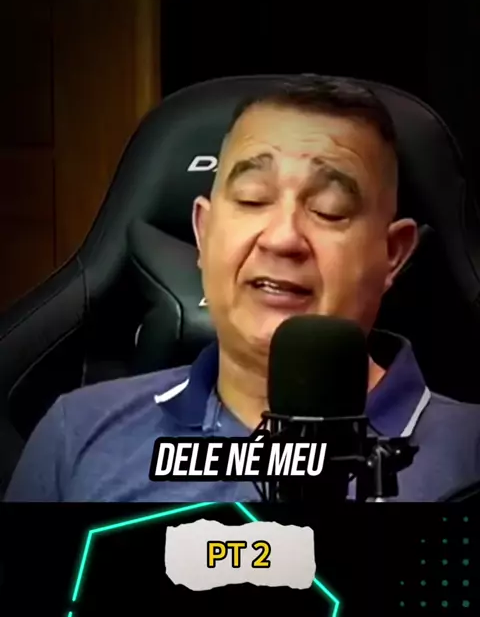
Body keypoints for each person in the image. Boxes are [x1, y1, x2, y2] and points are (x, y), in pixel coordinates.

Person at [5, 76, 480, 502]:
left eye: (330, 209)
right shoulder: (78, 436)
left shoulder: (469, 452)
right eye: (253, 199)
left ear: (392, 253)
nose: (282, 238)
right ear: (203, 232)